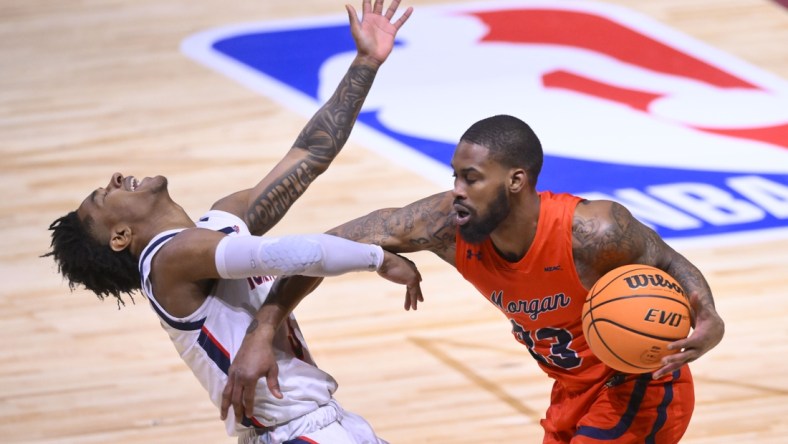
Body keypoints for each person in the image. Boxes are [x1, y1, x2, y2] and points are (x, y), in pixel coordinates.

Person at [44, 1, 421, 443]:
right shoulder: (168, 261)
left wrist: (365, 63)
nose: (112, 180)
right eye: (103, 196)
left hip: (322, 424)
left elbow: (309, 154)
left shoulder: (219, 222)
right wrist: (376, 257)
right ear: (121, 236)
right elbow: (294, 254)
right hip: (292, 433)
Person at [225, 114, 726, 443]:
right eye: (455, 176)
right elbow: (319, 249)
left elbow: (668, 261)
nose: (457, 191)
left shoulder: (593, 230)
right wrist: (262, 332)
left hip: (639, 384)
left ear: (516, 181)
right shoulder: (443, 225)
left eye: (471, 178)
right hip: (571, 391)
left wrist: (708, 317)